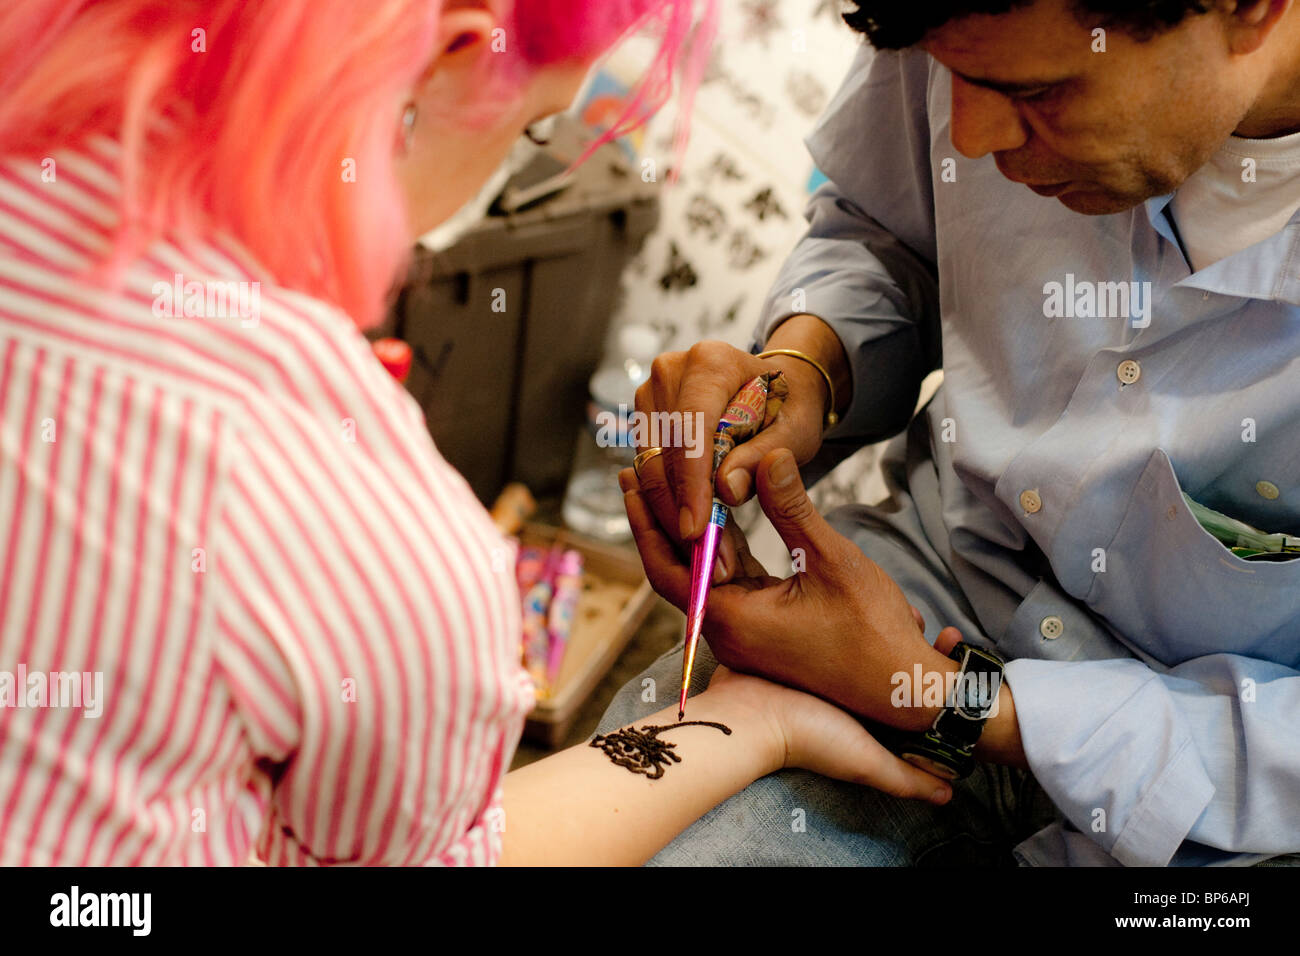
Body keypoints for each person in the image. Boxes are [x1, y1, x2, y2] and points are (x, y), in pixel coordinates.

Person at [0, 0, 958, 867]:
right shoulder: (364, 541)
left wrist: (808, 367)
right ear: (455, 53)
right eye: (535, 126)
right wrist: (762, 724)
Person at [613, 0, 1300, 866]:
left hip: (1234, 797)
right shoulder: (966, 27)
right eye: (951, 78)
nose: (970, 139)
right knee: (636, 827)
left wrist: (949, 703)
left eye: (1041, 92)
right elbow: (885, 229)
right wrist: (809, 367)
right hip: (923, 596)